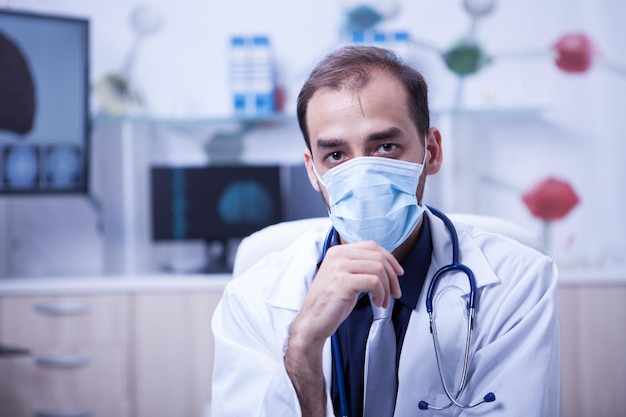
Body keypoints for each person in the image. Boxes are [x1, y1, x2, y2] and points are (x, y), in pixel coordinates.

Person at [211, 45, 560, 417]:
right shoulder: (253, 298)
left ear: (432, 150)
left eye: (385, 146)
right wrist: (302, 346)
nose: (361, 174)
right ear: (313, 171)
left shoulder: (519, 283)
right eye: (336, 155)